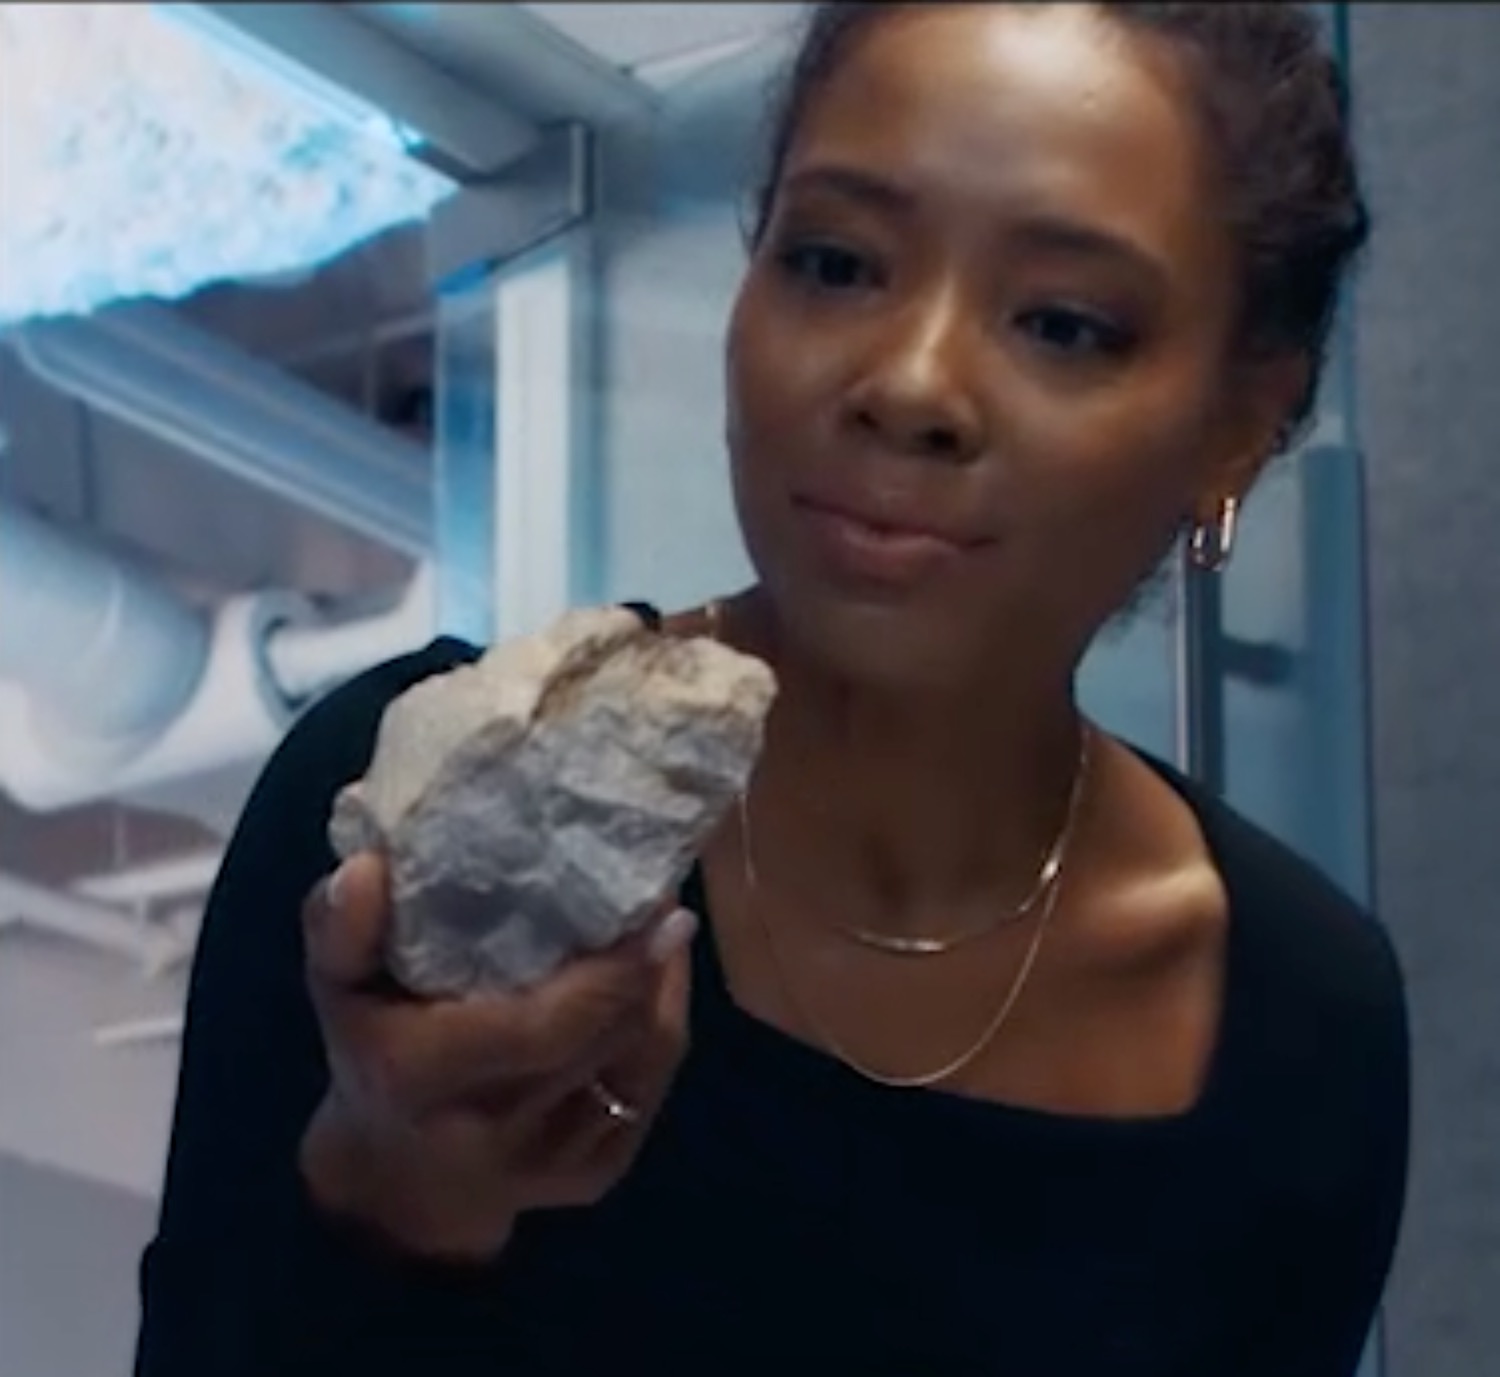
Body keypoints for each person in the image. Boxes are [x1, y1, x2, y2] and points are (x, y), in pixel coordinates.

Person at [133, 3, 1408, 1374]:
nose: (909, 383)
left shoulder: (1302, 1020)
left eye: (1062, 322)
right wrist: (392, 1193)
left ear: (1240, 421)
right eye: (835, 261)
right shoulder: (430, 807)